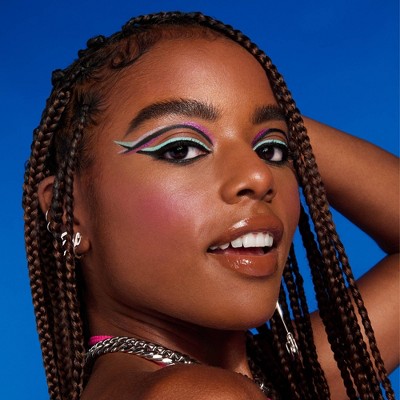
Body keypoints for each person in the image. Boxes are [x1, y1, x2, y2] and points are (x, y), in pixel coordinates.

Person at [22, 11, 399, 400]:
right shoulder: (200, 394)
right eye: (181, 149)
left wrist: (259, 114)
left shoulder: (276, 380)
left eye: (271, 149)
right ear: (67, 211)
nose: (259, 176)